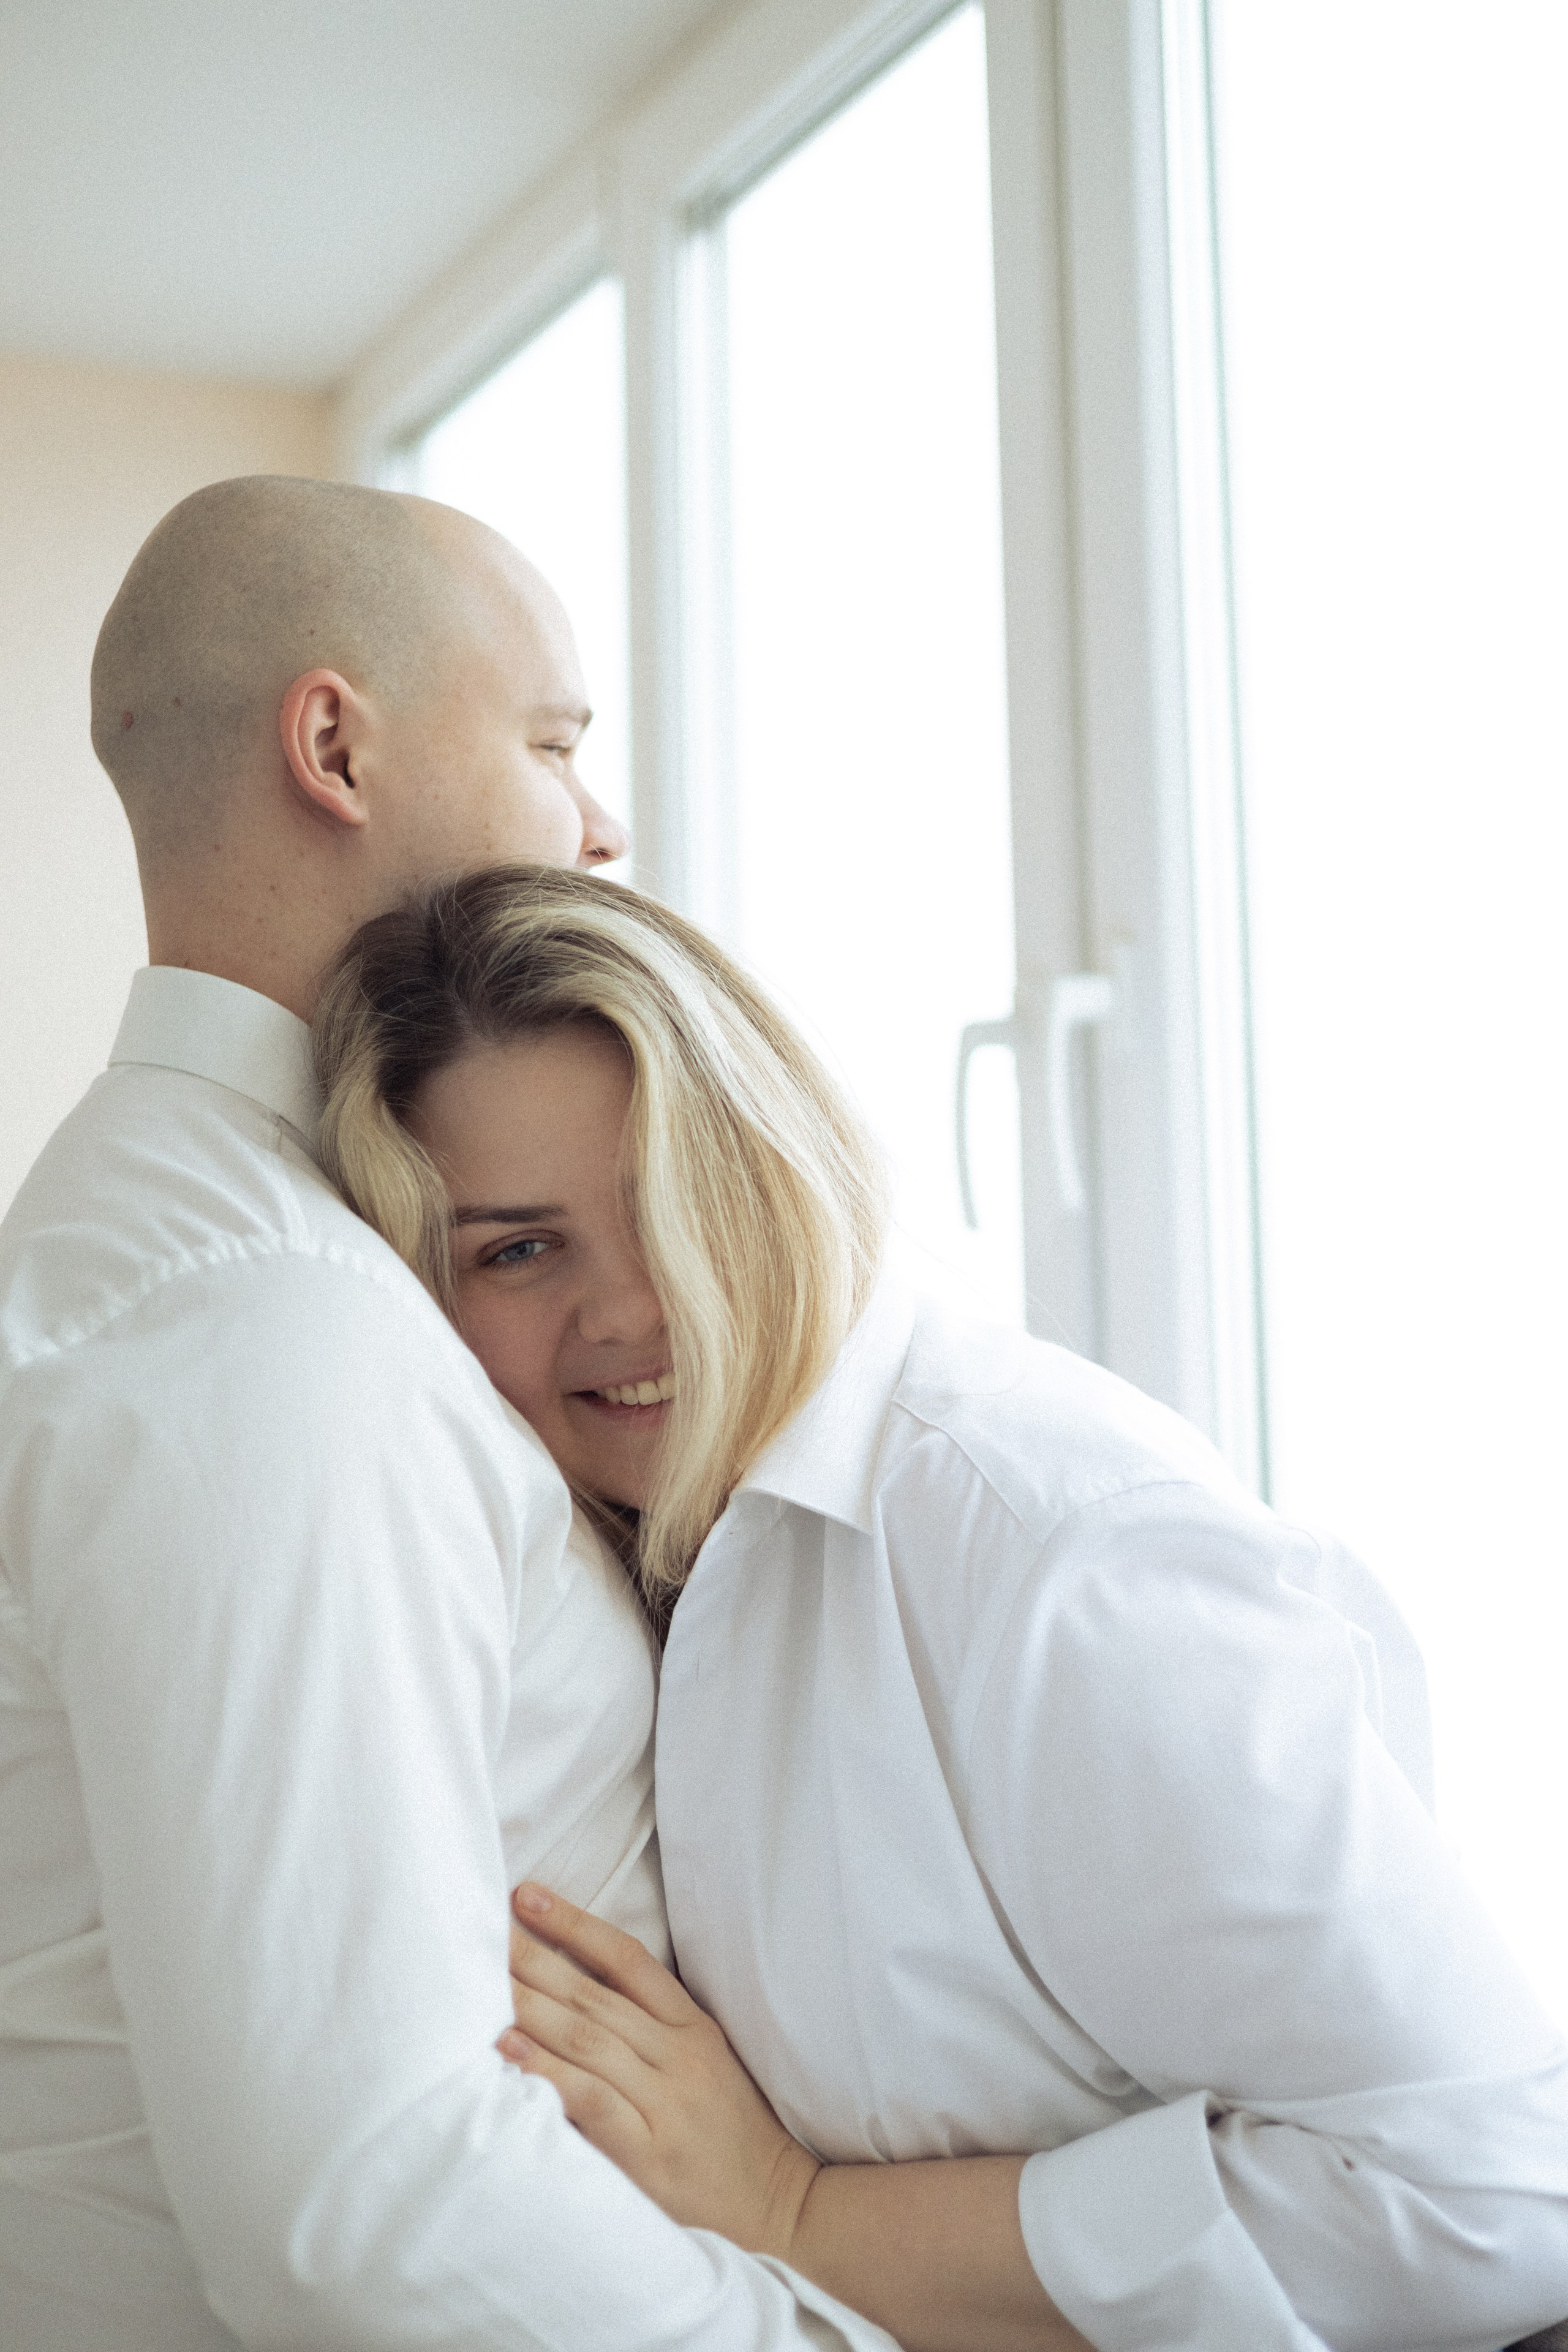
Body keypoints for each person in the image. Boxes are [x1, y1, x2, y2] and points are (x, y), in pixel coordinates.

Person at [314, 861, 1568, 2352]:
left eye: (673, 1199)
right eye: (518, 1250)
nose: (629, 1311)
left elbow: (1493, 2190)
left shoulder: (1051, 1543)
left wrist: (791, 2213)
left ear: (771, 1155)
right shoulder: (618, 1560)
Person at [0, 477, 908, 2352]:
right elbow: (366, 2204)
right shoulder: (274, 1335)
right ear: (333, 743)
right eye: (555, 740)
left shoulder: (207, 1251)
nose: (601, 821)